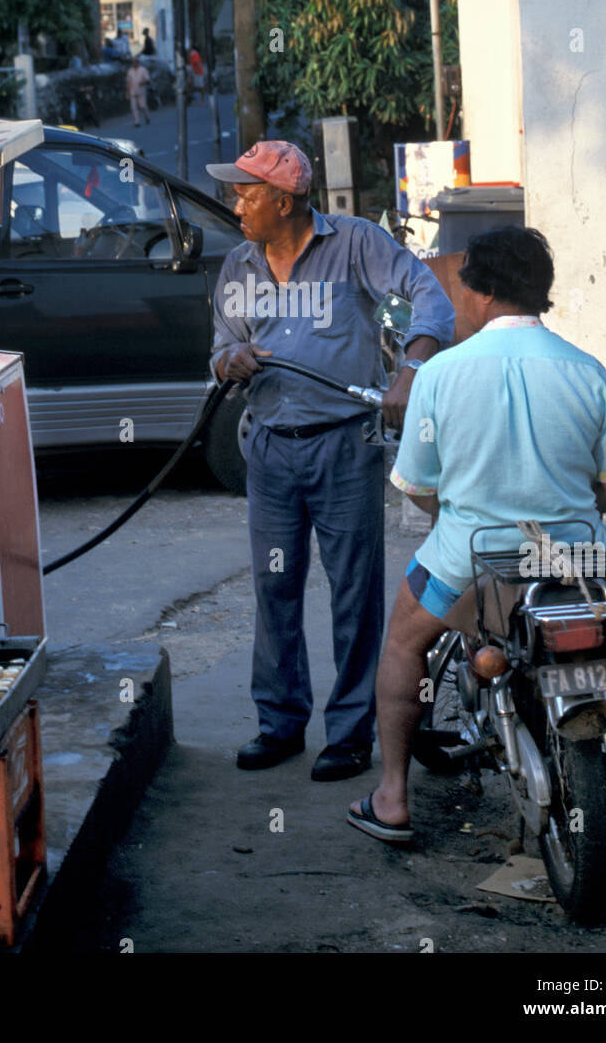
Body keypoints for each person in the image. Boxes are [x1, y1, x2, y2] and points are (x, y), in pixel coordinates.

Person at [347, 225, 606, 842]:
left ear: (481, 292)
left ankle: (393, 796)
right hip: (581, 555)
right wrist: (561, 510)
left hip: (469, 559)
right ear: (540, 291)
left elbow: (413, 484)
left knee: (404, 645)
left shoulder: (440, 374)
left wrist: (460, 513)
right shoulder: (587, 370)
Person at [207, 141, 455, 780]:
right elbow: (222, 344)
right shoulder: (239, 266)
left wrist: (413, 366)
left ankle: (348, 735)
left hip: (345, 444)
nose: (236, 205)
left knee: (354, 592)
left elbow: (426, 300)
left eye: (247, 193)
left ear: (283, 201)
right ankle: (281, 724)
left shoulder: (355, 247)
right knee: (275, 586)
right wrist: (227, 361)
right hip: (269, 448)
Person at [125, 57, 150, 129]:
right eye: (133, 62)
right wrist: (127, 92)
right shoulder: (130, 71)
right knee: (134, 107)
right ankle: (137, 121)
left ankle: (146, 117)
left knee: (143, 106)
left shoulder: (143, 70)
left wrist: (143, 82)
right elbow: (128, 82)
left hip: (141, 91)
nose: (134, 63)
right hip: (132, 91)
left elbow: (148, 79)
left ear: (138, 62)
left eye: (136, 62)